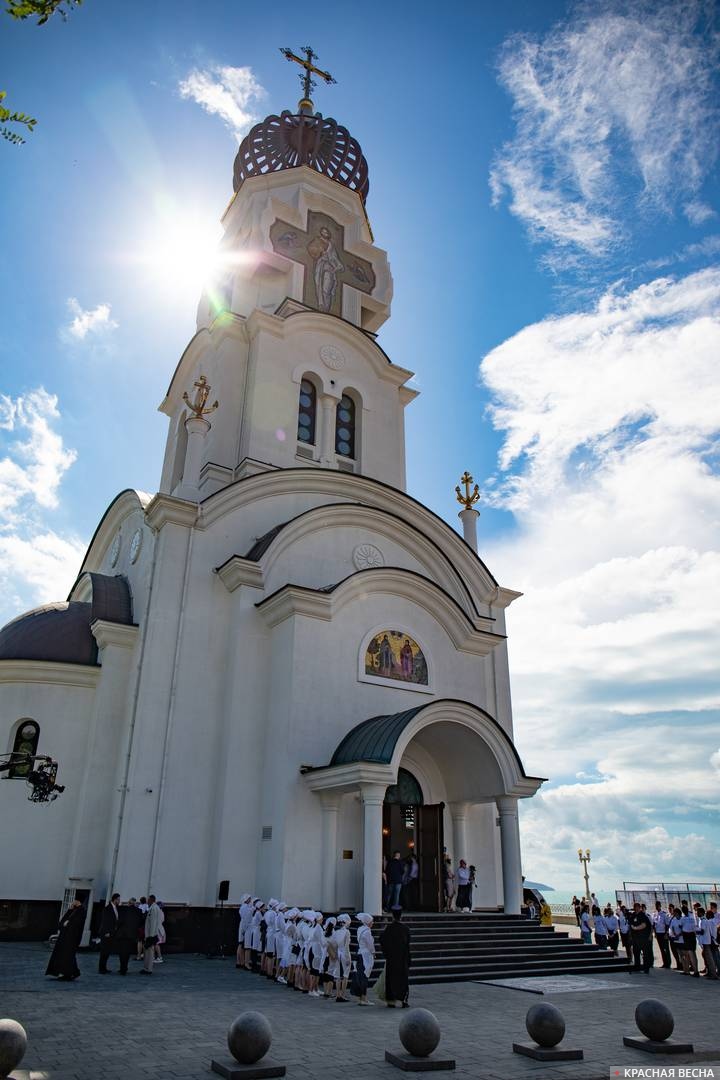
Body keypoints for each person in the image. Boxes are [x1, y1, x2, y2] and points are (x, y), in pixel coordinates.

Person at [379, 907, 411, 1008]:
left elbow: (382, 940)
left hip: (391, 959)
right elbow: (407, 945)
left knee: (391, 979)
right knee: (403, 979)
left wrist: (386, 954)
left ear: (392, 916)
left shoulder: (388, 929)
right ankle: (402, 1000)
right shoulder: (405, 929)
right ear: (401, 916)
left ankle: (391, 1000)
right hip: (402, 958)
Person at [46, 899, 85, 981]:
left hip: (71, 937)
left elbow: (77, 924)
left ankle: (67, 973)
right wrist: (69, 910)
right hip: (65, 936)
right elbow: (62, 922)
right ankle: (71, 972)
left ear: (78, 901)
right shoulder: (73, 910)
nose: (73, 902)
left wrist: (68, 923)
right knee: (66, 955)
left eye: (74, 901)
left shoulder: (81, 911)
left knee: (68, 955)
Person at [115, 898, 142, 976]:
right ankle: (125, 968)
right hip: (131, 935)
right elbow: (140, 923)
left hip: (122, 935)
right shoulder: (138, 911)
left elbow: (119, 921)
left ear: (129, 903)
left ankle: (122, 968)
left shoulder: (123, 910)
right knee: (127, 953)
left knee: (121, 952)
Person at [354, 912, 375, 1006]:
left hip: (359, 953)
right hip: (365, 955)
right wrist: (373, 952)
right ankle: (364, 998)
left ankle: (359, 998)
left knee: (360, 975)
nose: (373, 923)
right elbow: (370, 945)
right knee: (364, 976)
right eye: (371, 921)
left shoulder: (360, 929)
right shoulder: (367, 932)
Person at [331, 913, 352, 1002]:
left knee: (338, 975)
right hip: (344, 953)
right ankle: (342, 994)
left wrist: (335, 954)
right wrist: (347, 958)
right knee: (345, 975)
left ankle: (337, 994)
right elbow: (346, 946)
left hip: (338, 953)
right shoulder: (347, 932)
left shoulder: (336, 932)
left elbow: (334, 945)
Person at [98, 893, 121, 974]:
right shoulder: (107, 908)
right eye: (118, 899)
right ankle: (101, 968)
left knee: (107, 951)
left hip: (111, 933)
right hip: (106, 933)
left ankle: (104, 967)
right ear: (114, 899)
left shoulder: (116, 908)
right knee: (104, 951)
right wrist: (107, 932)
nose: (119, 901)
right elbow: (105, 921)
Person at [628, 902, 653, 973]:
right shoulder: (633, 915)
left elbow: (644, 925)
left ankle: (646, 968)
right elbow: (630, 924)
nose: (636, 908)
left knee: (645, 954)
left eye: (637, 907)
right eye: (635, 907)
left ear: (639, 907)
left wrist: (635, 928)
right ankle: (637, 967)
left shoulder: (643, 915)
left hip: (643, 938)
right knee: (636, 953)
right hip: (635, 938)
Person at [141, 895, 162, 975]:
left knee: (149, 952)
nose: (147, 902)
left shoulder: (153, 908)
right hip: (150, 934)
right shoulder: (154, 908)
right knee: (148, 952)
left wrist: (150, 936)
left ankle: (148, 969)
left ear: (151, 900)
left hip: (150, 935)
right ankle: (146, 968)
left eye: (148, 900)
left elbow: (153, 923)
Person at [696, 907, 718, 979]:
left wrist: (695, 931)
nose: (697, 913)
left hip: (706, 942)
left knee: (709, 959)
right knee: (707, 957)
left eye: (698, 912)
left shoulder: (703, 921)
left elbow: (702, 931)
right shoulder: (703, 920)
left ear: (702, 913)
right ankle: (709, 972)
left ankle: (713, 974)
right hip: (705, 941)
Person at [679, 901, 699, 976]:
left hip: (687, 936)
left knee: (689, 953)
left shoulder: (683, 918)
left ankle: (694, 971)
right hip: (692, 935)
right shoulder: (692, 916)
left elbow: (680, 926)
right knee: (693, 953)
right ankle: (694, 970)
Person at [652, 901, 672, 969]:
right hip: (658, 933)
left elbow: (667, 924)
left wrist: (666, 933)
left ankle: (668, 963)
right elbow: (654, 924)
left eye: (658, 905)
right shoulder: (655, 914)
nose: (657, 907)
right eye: (656, 905)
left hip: (663, 933)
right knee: (661, 949)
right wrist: (655, 933)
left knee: (666, 948)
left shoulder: (664, 914)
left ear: (660, 906)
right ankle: (665, 963)